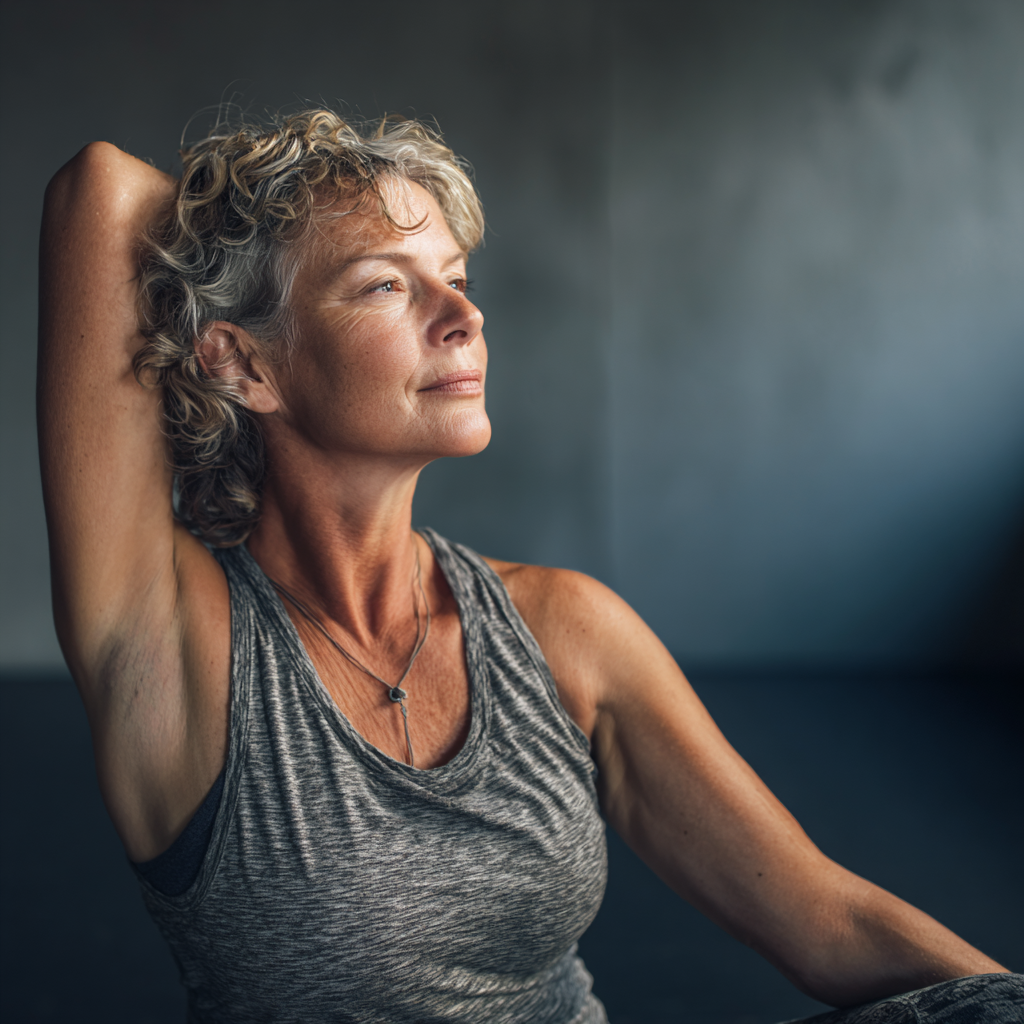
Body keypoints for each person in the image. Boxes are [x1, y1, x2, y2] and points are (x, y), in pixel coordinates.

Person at [37, 109, 1020, 1024]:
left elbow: (826, 922)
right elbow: (102, 191)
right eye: (386, 283)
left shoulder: (562, 627)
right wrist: (267, 222)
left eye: (455, 277)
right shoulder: (167, 645)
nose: (461, 317)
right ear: (243, 364)